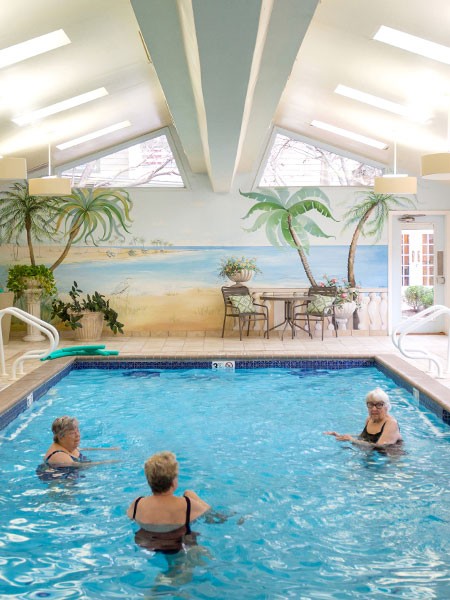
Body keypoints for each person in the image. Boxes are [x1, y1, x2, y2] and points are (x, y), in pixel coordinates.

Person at [127, 451, 210, 554]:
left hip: (148, 544)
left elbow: (130, 517)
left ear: (149, 481)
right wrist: (193, 496)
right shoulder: (187, 504)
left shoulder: (137, 504)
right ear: (173, 481)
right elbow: (212, 516)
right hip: (178, 545)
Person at [324, 388, 402, 447]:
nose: (374, 409)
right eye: (370, 404)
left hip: (390, 462)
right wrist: (341, 436)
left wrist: (351, 440)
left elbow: (380, 446)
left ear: (386, 407)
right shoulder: (369, 420)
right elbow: (364, 438)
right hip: (374, 457)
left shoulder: (391, 423)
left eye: (379, 405)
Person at [43, 416, 120, 467]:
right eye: (72, 433)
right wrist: (109, 462)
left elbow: (84, 449)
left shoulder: (68, 446)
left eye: (77, 431)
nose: (77, 435)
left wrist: (110, 449)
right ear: (61, 437)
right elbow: (82, 466)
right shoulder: (59, 456)